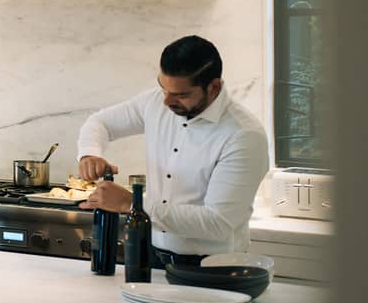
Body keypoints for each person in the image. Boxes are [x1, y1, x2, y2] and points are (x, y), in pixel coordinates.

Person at [78, 35, 271, 265]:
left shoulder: (243, 136)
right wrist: (90, 153)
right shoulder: (154, 103)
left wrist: (131, 204)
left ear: (214, 88)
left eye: (181, 95)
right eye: (163, 88)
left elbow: (217, 223)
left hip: (211, 267)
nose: (167, 102)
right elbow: (100, 123)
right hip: (151, 255)